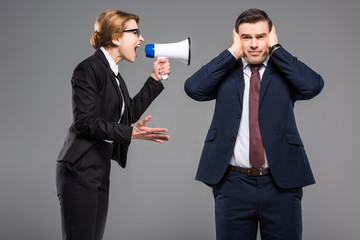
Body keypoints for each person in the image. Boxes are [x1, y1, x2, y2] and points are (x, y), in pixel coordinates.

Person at [185, 8, 324, 240]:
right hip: (232, 184)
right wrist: (231, 52)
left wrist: (277, 50)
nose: (253, 44)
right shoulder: (225, 71)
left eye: (260, 36)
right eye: (246, 37)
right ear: (237, 38)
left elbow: (313, 85)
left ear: (270, 36)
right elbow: (193, 88)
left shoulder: (285, 72)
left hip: (281, 184)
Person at [56, 9, 171, 240]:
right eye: (135, 32)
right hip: (80, 167)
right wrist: (130, 133)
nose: (141, 39)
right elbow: (84, 122)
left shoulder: (114, 74)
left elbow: (127, 113)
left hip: (99, 165)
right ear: (116, 38)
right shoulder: (88, 69)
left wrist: (154, 79)